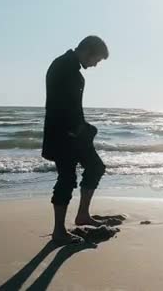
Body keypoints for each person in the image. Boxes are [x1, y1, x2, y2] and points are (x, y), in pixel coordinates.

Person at [42, 35, 109, 245]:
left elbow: (71, 106)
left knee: (96, 167)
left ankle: (82, 215)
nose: (96, 64)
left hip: (75, 134)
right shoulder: (63, 67)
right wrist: (78, 129)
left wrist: (84, 129)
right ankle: (59, 231)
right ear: (88, 51)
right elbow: (61, 105)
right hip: (64, 135)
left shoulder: (70, 67)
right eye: (96, 59)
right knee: (67, 179)